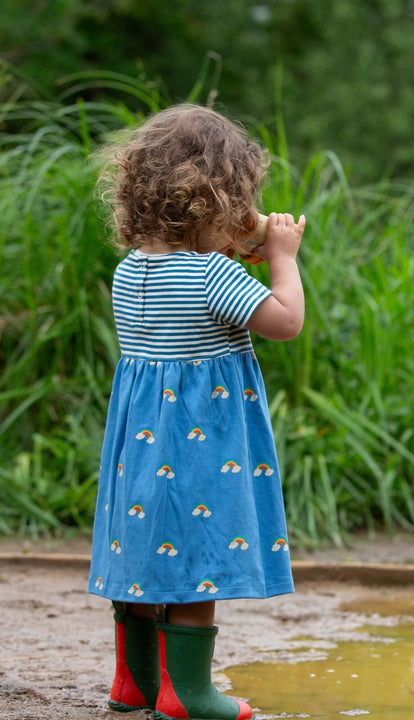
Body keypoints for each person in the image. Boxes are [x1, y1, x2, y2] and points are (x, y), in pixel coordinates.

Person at [87, 103, 306, 720]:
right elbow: (285, 322)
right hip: (201, 449)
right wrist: (284, 256)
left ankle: (134, 682)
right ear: (217, 202)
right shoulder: (211, 274)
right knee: (196, 553)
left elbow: (183, 317)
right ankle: (186, 693)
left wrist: (236, 256)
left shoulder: (131, 271)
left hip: (142, 449)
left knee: (146, 549)